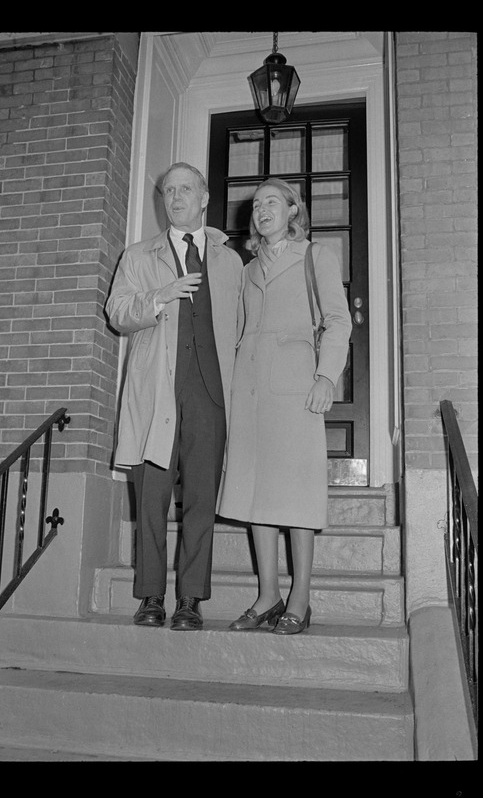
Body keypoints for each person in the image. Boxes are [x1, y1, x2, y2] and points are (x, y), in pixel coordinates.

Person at [105, 162, 243, 631]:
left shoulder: (229, 259)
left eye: (186, 189)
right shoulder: (138, 255)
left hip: (210, 395)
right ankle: (149, 596)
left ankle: (189, 599)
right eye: (168, 191)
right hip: (155, 392)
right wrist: (160, 296)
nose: (176, 197)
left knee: (201, 500)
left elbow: (243, 329)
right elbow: (117, 313)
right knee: (151, 499)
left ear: (204, 197)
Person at [218, 178, 352, 635]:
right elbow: (238, 329)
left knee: (295, 495)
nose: (261, 210)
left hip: (296, 386)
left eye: (271, 202)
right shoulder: (248, 267)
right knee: (258, 493)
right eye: (256, 205)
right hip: (248, 388)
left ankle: (300, 597)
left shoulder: (316, 256)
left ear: (294, 210)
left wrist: (326, 376)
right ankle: (268, 594)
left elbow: (337, 320)